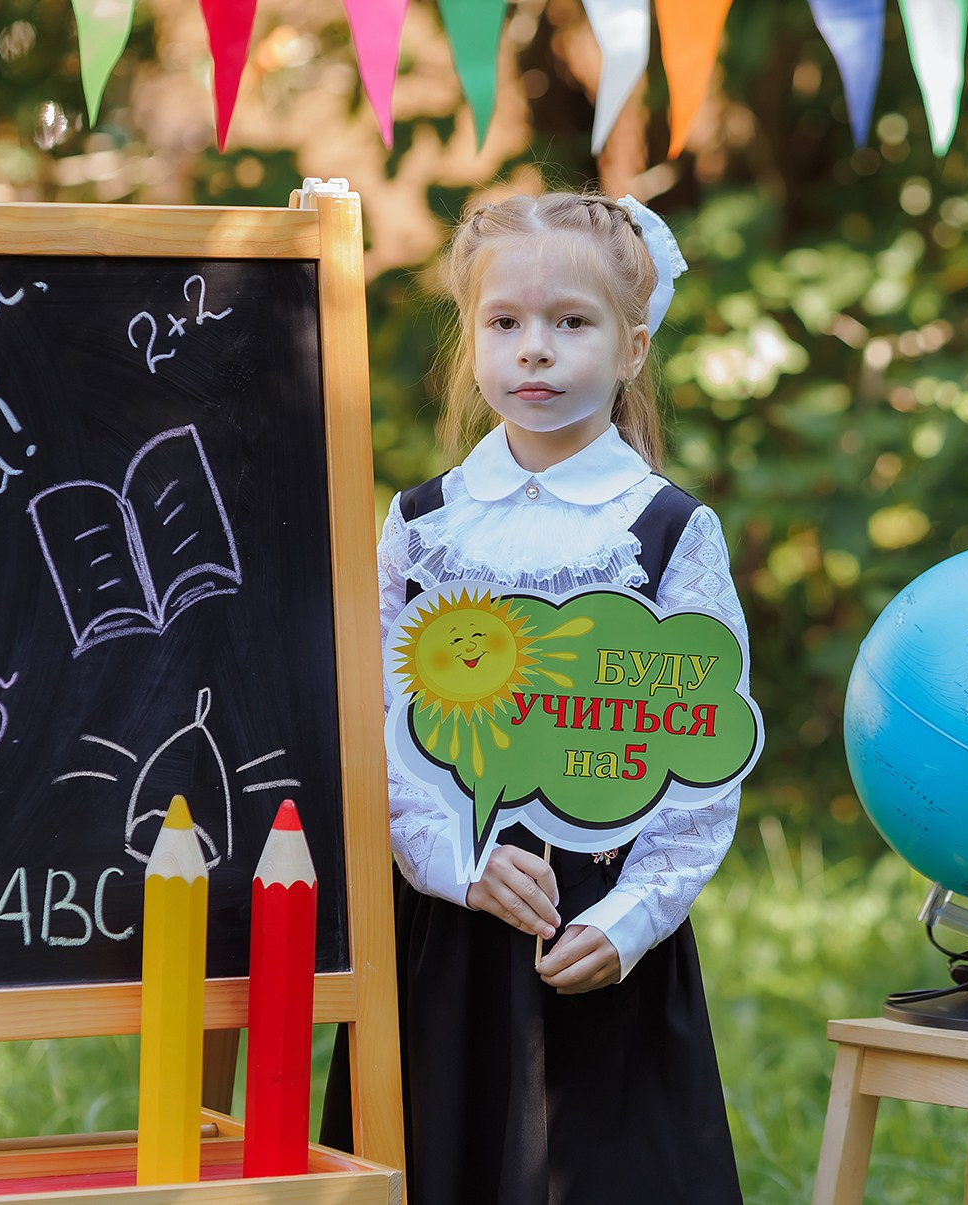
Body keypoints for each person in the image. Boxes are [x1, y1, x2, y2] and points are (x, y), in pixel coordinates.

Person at [323, 190, 748, 1205]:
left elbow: (701, 754)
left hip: (593, 928)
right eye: (505, 321)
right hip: (444, 934)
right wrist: (457, 861)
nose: (535, 350)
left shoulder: (667, 532)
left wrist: (633, 918)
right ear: (471, 337)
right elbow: (373, 728)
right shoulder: (420, 523)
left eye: (571, 322)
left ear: (632, 347)